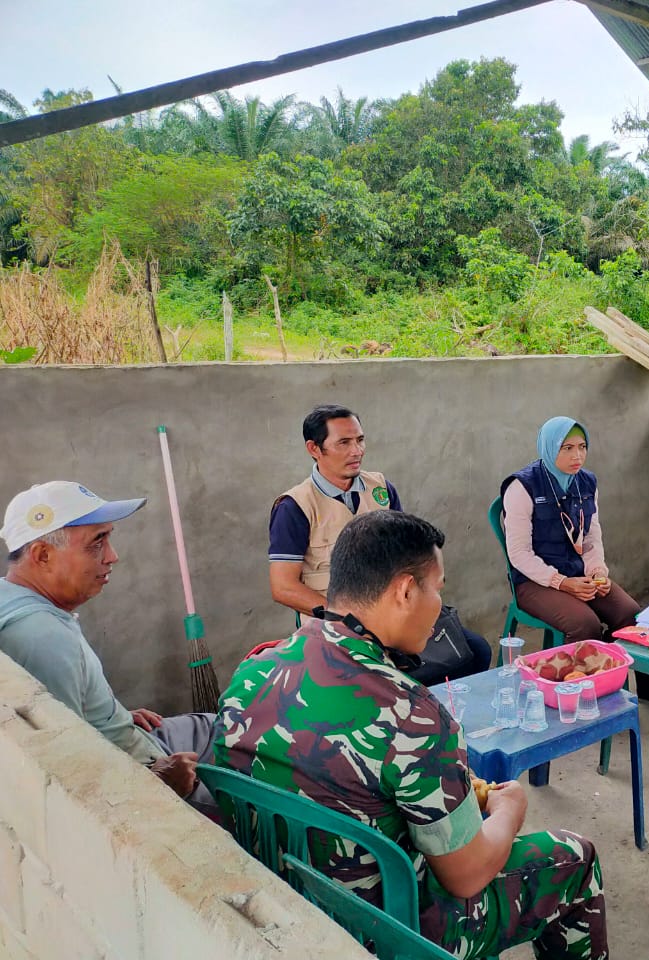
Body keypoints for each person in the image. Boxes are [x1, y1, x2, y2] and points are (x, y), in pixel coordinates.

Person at [217, 511, 608, 960]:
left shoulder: (254, 670)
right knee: (575, 856)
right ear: (405, 590)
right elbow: (467, 874)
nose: (441, 603)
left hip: (278, 903)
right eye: (437, 588)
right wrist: (509, 809)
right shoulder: (411, 713)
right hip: (383, 931)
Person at [0, 481, 216, 813]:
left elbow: (64, 713)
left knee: (222, 725)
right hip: (137, 771)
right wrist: (157, 781)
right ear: (43, 555)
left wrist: (108, 713)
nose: (112, 556)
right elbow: (68, 778)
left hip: (130, 736)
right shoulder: (41, 637)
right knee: (237, 811)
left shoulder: (12, 597)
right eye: (96, 543)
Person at [268, 403, 490, 683]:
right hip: (340, 631)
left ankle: (439, 722)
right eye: (344, 443)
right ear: (314, 449)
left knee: (475, 651)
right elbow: (283, 587)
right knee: (402, 679)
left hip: (397, 615)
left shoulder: (381, 489)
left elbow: (407, 557)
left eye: (360, 440)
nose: (356, 451)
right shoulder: (295, 506)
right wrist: (350, 620)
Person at [499, 416, 640, 644]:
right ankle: (576, 678)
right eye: (567, 448)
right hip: (534, 582)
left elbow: (591, 535)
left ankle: (607, 669)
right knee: (585, 625)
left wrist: (597, 572)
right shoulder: (522, 487)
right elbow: (519, 554)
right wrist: (561, 582)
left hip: (578, 574)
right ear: (549, 447)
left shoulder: (586, 482)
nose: (577, 456)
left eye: (582, 447)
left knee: (630, 615)